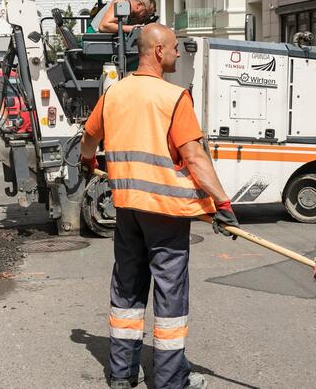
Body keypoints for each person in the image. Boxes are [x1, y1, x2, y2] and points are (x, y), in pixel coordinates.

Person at [80, 24, 238, 389]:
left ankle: (121, 374)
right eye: (174, 48)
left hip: (126, 208)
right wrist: (222, 201)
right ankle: (169, 380)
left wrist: (89, 163)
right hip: (164, 212)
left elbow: (89, 137)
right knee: (169, 295)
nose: (178, 54)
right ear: (157, 51)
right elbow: (195, 157)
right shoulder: (174, 98)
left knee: (127, 289)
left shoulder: (115, 93)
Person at [90, 0, 156, 34]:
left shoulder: (129, 12)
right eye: (146, 13)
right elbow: (103, 26)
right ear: (139, 5)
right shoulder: (123, 4)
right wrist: (132, 28)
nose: (145, 17)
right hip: (93, 38)